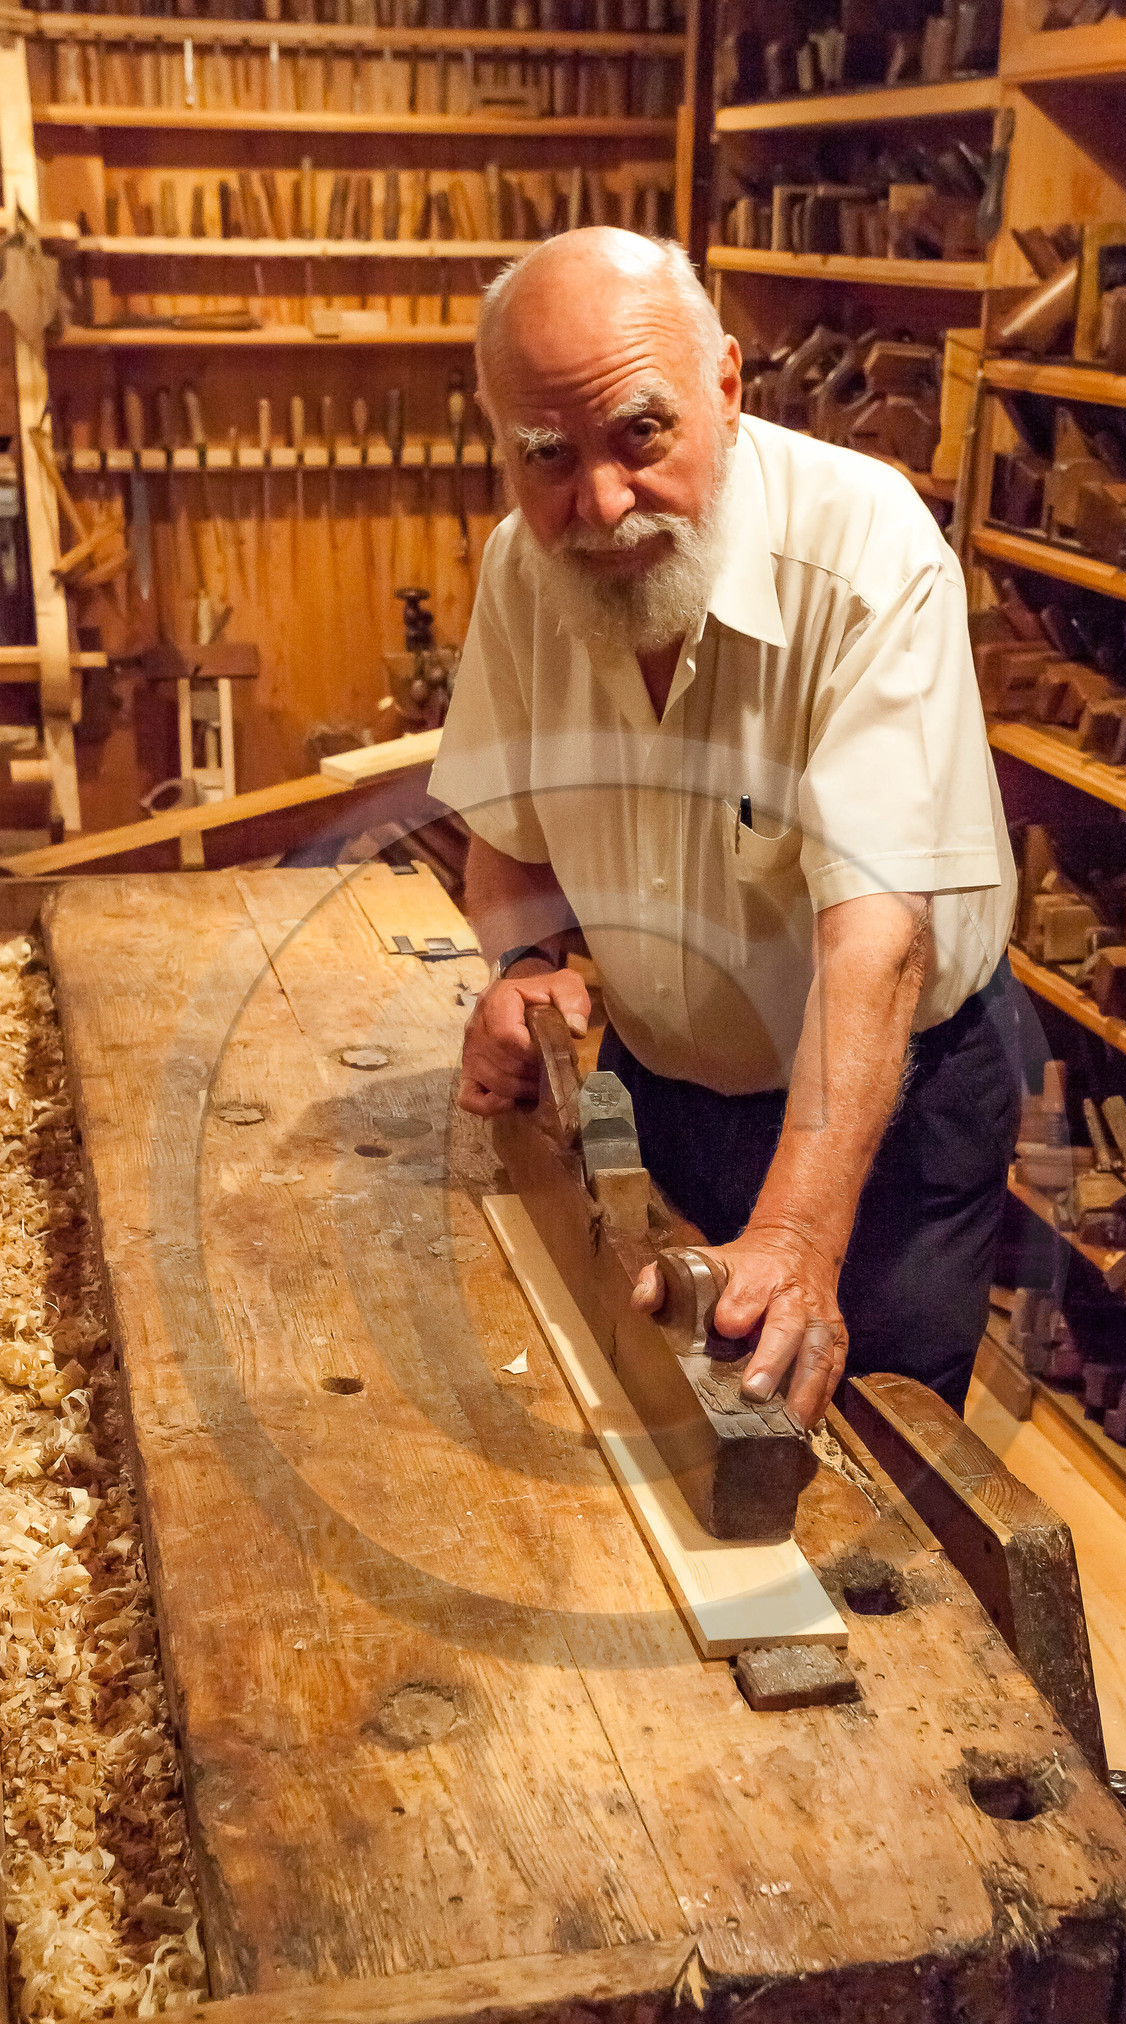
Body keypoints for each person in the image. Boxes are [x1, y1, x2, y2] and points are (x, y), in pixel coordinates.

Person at [429, 226, 1020, 1428]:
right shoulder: (517, 569)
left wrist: (799, 1229)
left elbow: (879, 936)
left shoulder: (868, 550)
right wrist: (521, 965)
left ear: (727, 390)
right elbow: (510, 837)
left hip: (891, 1101)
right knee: (664, 1409)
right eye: (546, 453)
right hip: (665, 1077)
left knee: (871, 1455)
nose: (600, 504)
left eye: (642, 435)